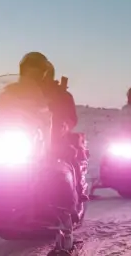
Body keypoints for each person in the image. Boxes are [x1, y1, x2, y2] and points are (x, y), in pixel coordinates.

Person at [43, 61, 88, 201]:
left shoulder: (62, 95)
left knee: (67, 154)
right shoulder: (12, 93)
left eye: (37, 73)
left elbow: (71, 118)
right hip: (23, 138)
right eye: (29, 72)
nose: (33, 77)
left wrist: (63, 126)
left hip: (54, 137)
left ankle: (77, 193)